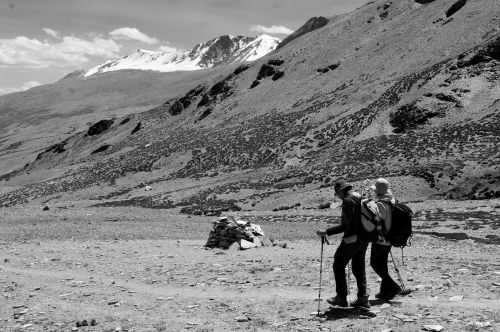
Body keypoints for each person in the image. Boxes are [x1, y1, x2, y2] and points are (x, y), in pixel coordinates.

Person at [316, 179, 370, 308]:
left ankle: (341, 297)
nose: (337, 196)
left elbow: (345, 226)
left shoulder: (348, 201)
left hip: (352, 239)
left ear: (340, 191)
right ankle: (362, 298)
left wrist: (326, 232)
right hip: (365, 238)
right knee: (359, 267)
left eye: (336, 193)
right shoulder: (359, 197)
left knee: (338, 264)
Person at [369, 178, 402, 300]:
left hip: (381, 238)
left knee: (375, 264)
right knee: (382, 264)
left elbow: (376, 220)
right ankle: (385, 292)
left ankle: (393, 286)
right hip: (390, 237)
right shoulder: (392, 200)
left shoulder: (381, 204)